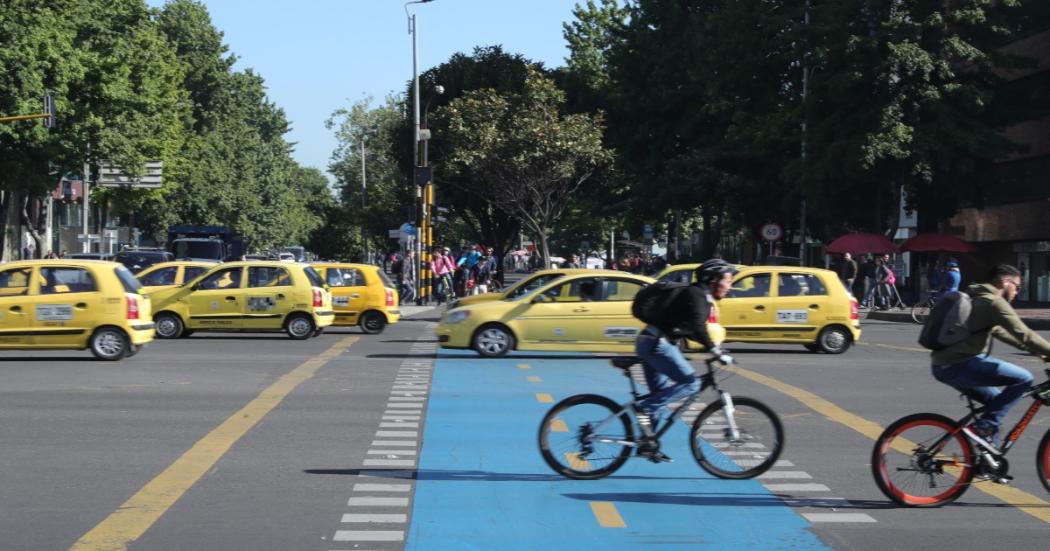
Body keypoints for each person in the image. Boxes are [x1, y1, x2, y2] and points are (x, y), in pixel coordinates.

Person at [931, 265, 1050, 454]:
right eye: (1017, 287)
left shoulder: (977, 296)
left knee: (996, 403)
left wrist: (1036, 352)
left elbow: (1000, 332)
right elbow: (1024, 333)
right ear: (1004, 282)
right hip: (959, 364)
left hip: (944, 365)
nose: (1017, 292)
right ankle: (983, 427)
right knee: (1024, 378)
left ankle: (988, 457)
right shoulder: (994, 302)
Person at [634, 258, 737, 462]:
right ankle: (646, 409)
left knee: (659, 395)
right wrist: (714, 350)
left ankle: (647, 443)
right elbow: (699, 328)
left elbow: (689, 329)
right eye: (728, 280)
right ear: (713, 280)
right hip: (658, 344)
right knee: (691, 384)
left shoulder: (696, 296)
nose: (730, 285)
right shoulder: (697, 294)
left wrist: (713, 347)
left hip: (649, 341)